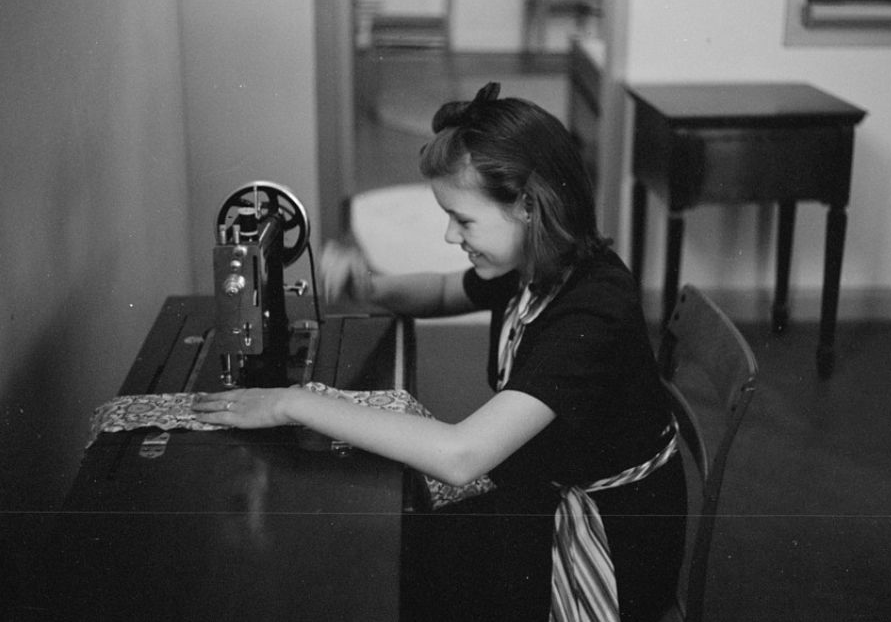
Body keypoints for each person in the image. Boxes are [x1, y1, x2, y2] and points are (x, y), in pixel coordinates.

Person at [193, 82, 686, 622]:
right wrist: (370, 286)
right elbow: (446, 292)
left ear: (528, 207)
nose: (452, 236)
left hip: (607, 544)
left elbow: (460, 456)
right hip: (543, 487)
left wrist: (291, 402)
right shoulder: (535, 266)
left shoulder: (593, 309)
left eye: (464, 219)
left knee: (388, 570)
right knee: (396, 542)